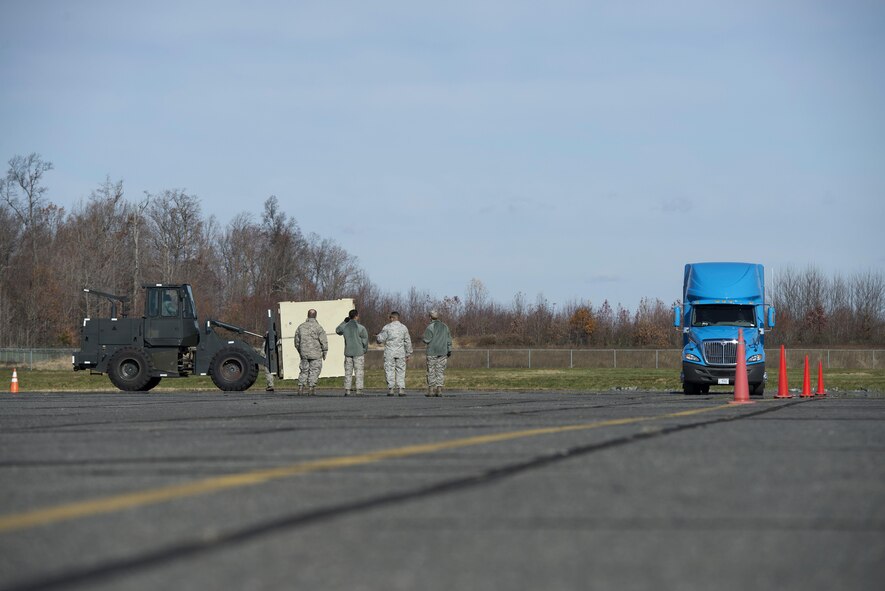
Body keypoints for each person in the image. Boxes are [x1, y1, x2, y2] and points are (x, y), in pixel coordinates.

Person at [376, 311, 412, 396]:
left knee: (389, 369)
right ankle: (401, 389)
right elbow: (407, 341)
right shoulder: (404, 328)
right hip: (400, 352)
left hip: (389, 352)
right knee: (401, 370)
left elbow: (380, 339)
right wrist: (408, 353)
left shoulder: (387, 327)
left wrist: (377, 336)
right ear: (398, 318)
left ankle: (391, 389)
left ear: (392, 318)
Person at [294, 309, 327, 395]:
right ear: (315, 316)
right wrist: (324, 351)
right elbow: (323, 341)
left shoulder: (301, 327)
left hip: (304, 353)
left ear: (307, 315)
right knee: (315, 370)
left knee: (304, 370)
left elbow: (296, 341)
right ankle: (311, 388)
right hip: (316, 353)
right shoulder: (318, 327)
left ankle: (300, 387)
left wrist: (300, 350)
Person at [336, 309, 369, 396]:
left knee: (348, 372)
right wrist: (364, 350)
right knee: (359, 372)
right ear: (357, 316)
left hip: (348, 352)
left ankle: (347, 390)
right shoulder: (361, 328)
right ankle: (359, 390)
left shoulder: (345, 326)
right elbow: (365, 340)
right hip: (358, 352)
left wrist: (344, 322)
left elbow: (338, 330)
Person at [422, 309, 452, 397]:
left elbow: (426, 339)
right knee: (440, 371)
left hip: (432, 351)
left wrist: (423, 338)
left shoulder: (430, 327)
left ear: (430, 317)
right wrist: (449, 349)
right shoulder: (445, 326)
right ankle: (439, 390)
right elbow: (449, 339)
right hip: (443, 351)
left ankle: (431, 390)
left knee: (431, 370)